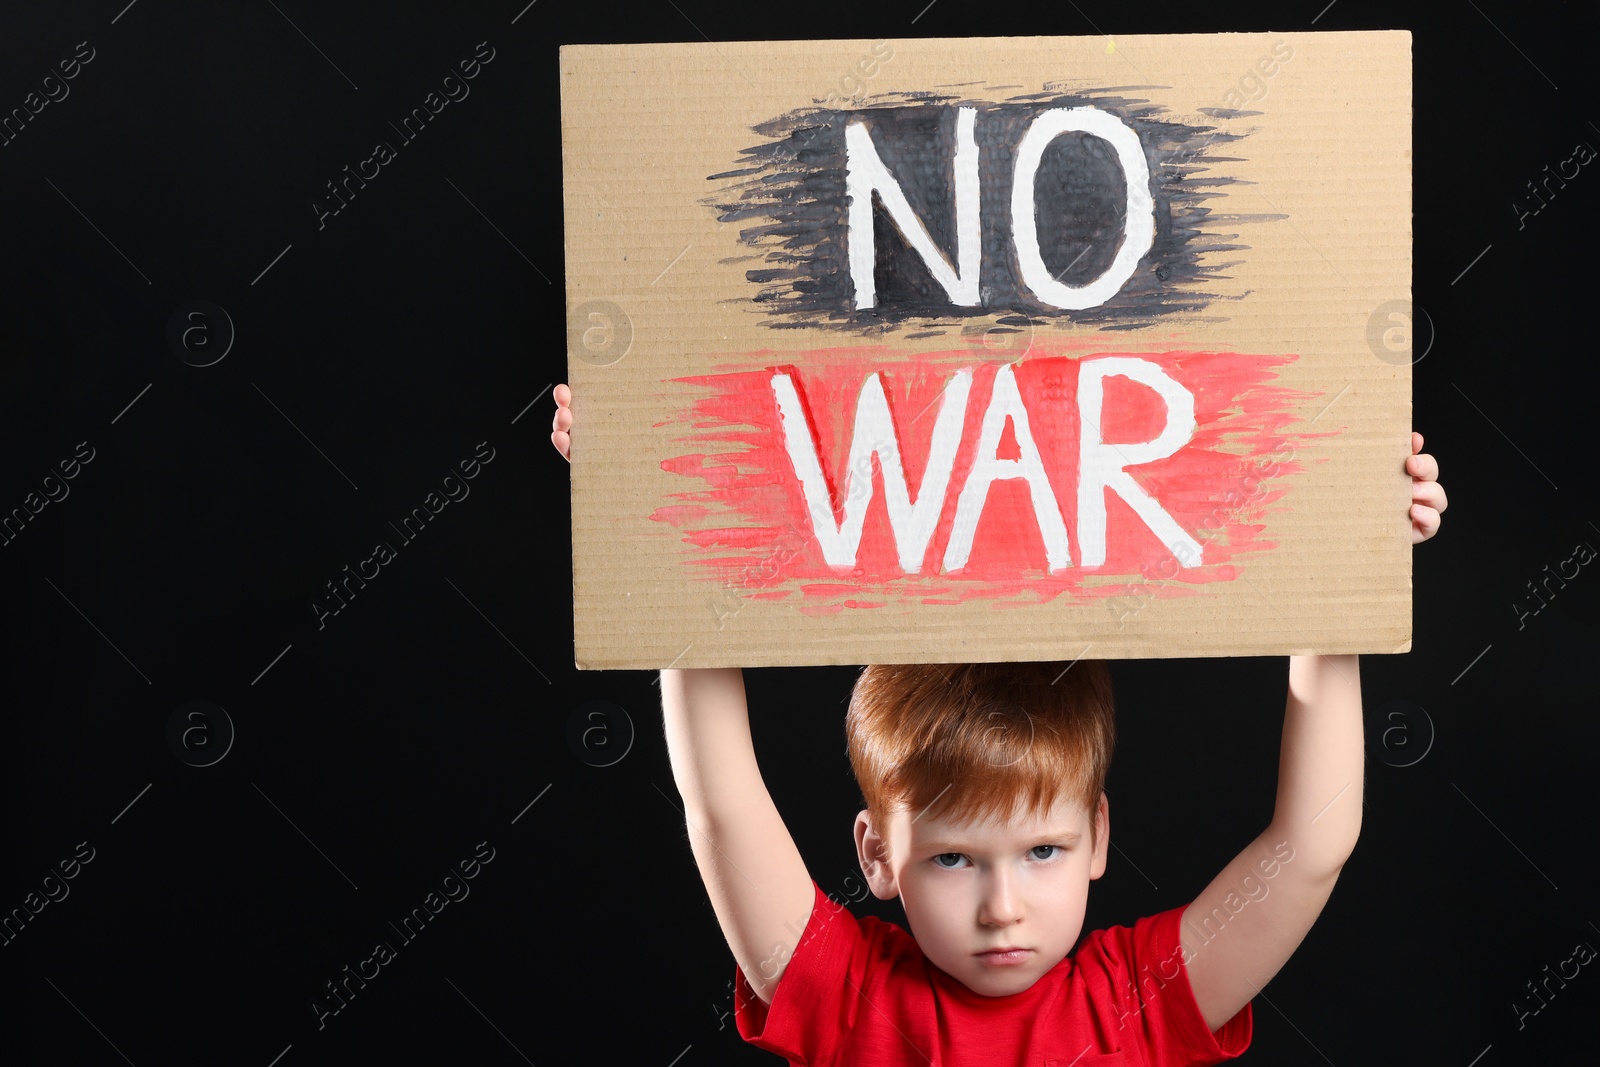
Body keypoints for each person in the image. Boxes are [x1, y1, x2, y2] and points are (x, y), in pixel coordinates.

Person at [552, 383, 1447, 1065]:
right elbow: (723, 804)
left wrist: (1344, 571)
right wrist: (651, 520)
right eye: (952, 858)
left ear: (1098, 833)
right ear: (877, 854)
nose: (1002, 906)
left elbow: (1313, 844)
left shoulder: (1138, 997)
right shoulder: (847, 994)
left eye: (1043, 851)